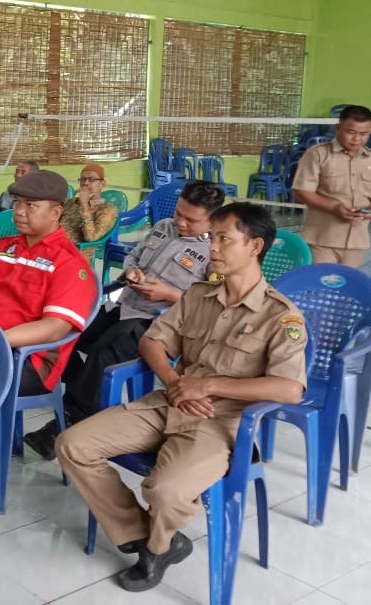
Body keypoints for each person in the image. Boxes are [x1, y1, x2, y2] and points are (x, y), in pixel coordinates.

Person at [55, 202, 307, 593]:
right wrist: (174, 381)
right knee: (72, 444)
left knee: (165, 490)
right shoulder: (197, 295)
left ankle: (155, 547)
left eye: (224, 239)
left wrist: (207, 386)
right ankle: (151, 538)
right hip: (169, 400)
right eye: (212, 238)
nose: (214, 248)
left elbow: (289, 388)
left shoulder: (280, 316)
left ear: (255, 246)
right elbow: (153, 341)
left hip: (219, 421)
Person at [23, 181, 225, 459]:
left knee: (105, 352)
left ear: (212, 220)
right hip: (125, 302)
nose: (180, 222)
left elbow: (213, 303)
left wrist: (169, 294)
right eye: (179, 213)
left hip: (161, 321)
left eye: (191, 220)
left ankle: (69, 420)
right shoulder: (163, 226)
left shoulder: (216, 250)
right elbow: (134, 256)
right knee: (66, 331)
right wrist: (131, 272)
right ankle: (80, 391)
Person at [0, 170, 97, 399]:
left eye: (31, 205)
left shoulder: (68, 263)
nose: (19, 212)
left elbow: (54, 328)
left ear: (55, 212)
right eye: (17, 203)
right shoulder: (4, 247)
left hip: (26, 358)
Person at [293, 104, 371, 267]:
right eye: (351, 132)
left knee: (349, 289)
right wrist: (334, 207)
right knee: (320, 287)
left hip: (356, 242)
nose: (357, 139)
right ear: (338, 128)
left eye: (364, 134)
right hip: (321, 240)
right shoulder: (318, 154)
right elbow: (301, 191)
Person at [60, 163, 119, 263]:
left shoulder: (108, 209)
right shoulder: (71, 202)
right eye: (83, 179)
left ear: (102, 184)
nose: (86, 183)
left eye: (91, 179)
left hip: (74, 255)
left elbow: (91, 238)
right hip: (53, 247)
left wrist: (85, 206)